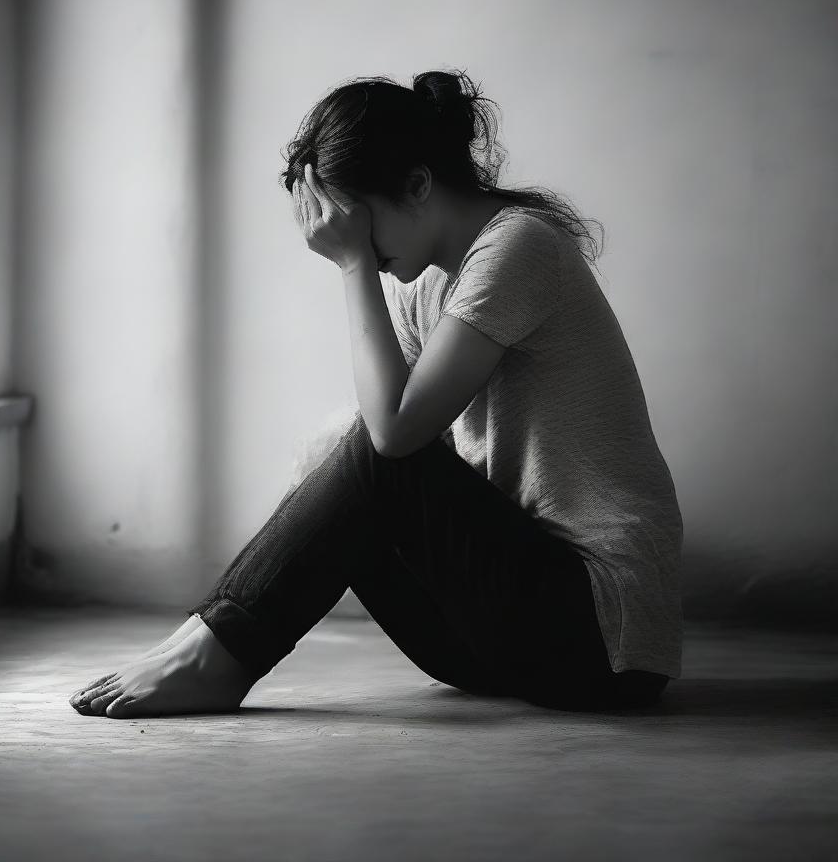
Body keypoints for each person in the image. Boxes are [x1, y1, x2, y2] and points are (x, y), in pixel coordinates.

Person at [70, 68, 684, 718]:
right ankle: (209, 639)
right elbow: (387, 446)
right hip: (495, 644)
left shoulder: (520, 245)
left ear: (418, 184)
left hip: (599, 639)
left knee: (373, 443)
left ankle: (216, 651)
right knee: (334, 446)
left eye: (362, 231)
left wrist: (354, 266)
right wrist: (368, 265)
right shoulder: (423, 286)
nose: (356, 250)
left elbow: (392, 437)